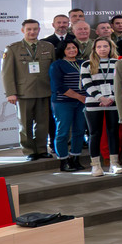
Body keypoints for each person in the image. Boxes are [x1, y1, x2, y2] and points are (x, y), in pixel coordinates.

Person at [2, 19, 55, 160]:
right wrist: (10, 93)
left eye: (35, 29)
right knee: (25, 124)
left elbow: (53, 69)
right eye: (29, 29)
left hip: (44, 90)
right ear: (23, 30)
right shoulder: (13, 48)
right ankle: (29, 151)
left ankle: (42, 149)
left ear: (39, 30)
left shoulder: (48, 47)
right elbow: (7, 73)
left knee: (43, 123)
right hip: (23, 92)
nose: (32, 32)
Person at [47, 40, 89, 173]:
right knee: (63, 131)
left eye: (74, 47)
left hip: (81, 103)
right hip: (63, 102)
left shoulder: (83, 63)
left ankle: (75, 158)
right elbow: (58, 86)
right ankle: (63, 160)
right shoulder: (57, 65)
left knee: (79, 130)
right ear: (62, 51)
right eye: (68, 48)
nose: (72, 50)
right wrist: (79, 96)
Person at [83, 36, 122, 175]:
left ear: (111, 48)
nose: (102, 49)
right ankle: (95, 165)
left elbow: (120, 83)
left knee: (113, 132)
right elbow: (86, 84)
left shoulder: (118, 63)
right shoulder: (86, 64)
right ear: (94, 49)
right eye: (99, 47)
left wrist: (111, 98)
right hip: (94, 102)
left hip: (113, 102)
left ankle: (114, 163)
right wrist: (100, 97)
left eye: (105, 46)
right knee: (95, 133)